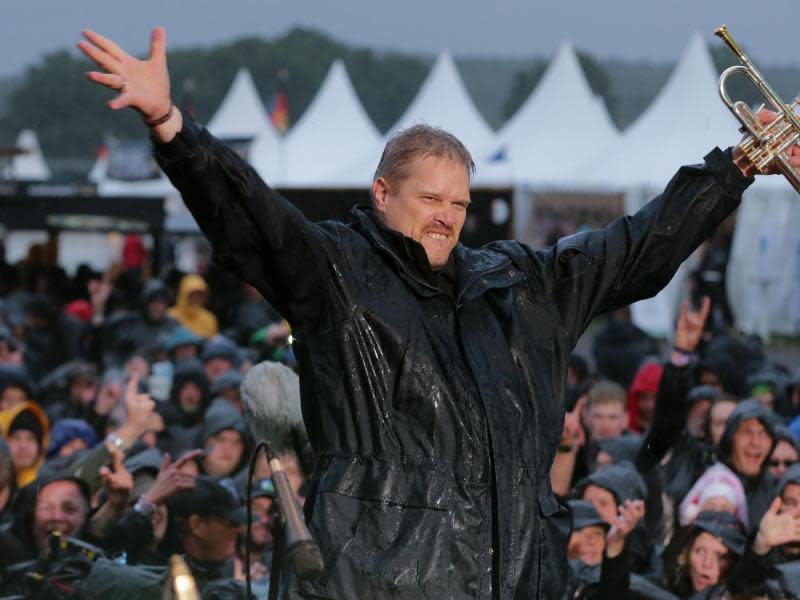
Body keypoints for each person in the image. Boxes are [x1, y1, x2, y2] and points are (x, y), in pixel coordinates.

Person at [78, 27, 800, 600]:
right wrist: (174, 127)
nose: (446, 217)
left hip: (518, 577)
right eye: (430, 199)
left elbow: (636, 247)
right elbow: (253, 221)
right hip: (375, 581)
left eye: (459, 203)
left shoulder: (519, 284)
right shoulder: (340, 271)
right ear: (383, 191)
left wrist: (734, 167)